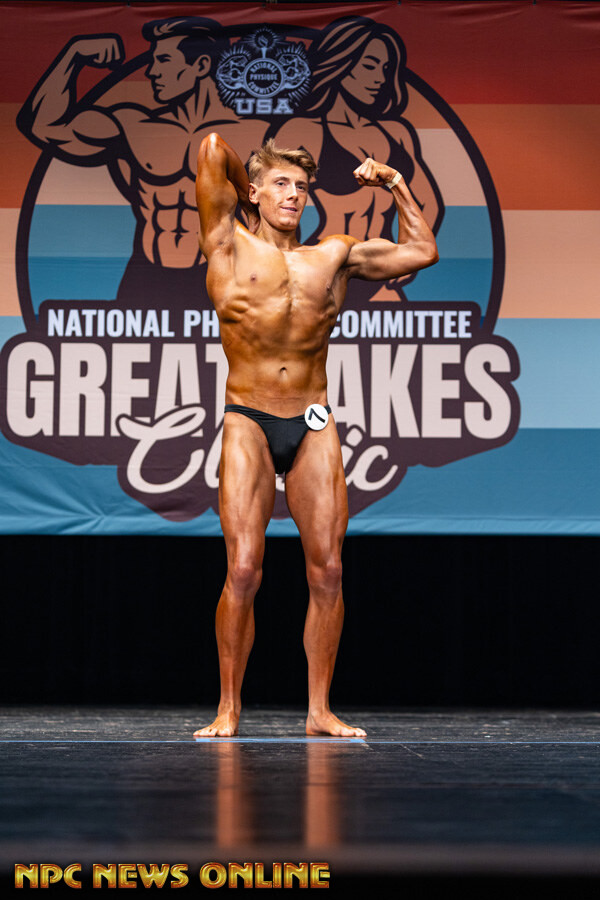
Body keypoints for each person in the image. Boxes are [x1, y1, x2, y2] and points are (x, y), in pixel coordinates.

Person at [193, 133, 438, 738]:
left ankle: (320, 710)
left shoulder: (333, 254)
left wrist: (394, 183)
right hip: (248, 417)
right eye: (280, 184)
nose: (293, 195)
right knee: (243, 569)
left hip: (312, 418)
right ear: (254, 192)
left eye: (301, 186)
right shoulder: (226, 242)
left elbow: (421, 251)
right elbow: (213, 148)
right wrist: (248, 184)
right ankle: (228, 707)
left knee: (327, 571)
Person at [17, 17, 266, 305]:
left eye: (163, 60)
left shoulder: (255, 134)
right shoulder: (134, 125)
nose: (151, 71)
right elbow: (44, 125)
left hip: (217, 272)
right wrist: (73, 55)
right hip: (147, 275)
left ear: (200, 66)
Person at [273, 16, 443, 304]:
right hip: (325, 269)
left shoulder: (396, 133)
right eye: (369, 66)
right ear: (341, 64)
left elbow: (430, 206)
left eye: (384, 68)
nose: (380, 78)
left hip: (372, 262)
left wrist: (394, 180)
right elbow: (270, 197)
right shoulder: (305, 130)